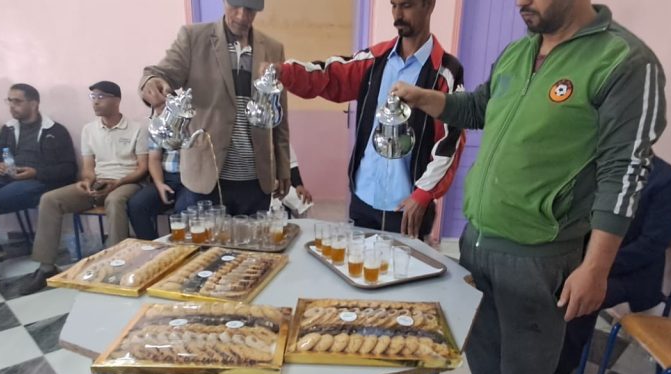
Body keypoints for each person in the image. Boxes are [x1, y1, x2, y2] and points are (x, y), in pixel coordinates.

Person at [392, 1, 667, 374]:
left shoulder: (624, 62)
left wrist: (596, 267)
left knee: (527, 362)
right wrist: (424, 98)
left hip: (539, 251)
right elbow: (478, 107)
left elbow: (625, 171)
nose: (521, 2)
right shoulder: (520, 52)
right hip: (479, 237)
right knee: (482, 344)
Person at [271, 0, 464, 238]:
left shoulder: (445, 72)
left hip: (407, 209)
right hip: (363, 200)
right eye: (393, 5)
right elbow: (328, 76)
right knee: (357, 262)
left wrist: (424, 194)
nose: (398, 14)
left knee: (404, 264)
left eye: (406, 5)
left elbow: (451, 140)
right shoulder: (374, 60)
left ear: (429, 5)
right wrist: (284, 72)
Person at [138, 0, 291, 216]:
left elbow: (279, 114)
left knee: (254, 239)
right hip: (206, 177)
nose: (241, 16)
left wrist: (284, 167)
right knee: (205, 239)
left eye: (250, 9)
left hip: (256, 179)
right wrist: (151, 83)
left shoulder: (273, 48)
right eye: (235, 6)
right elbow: (159, 73)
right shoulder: (193, 38)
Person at [553, 156, 671, 374]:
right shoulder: (606, 165)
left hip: (632, 272)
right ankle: (537, 348)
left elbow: (652, 244)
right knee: (547, 275)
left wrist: (595, 265)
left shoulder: (669, 180)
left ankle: (561, 364)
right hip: (592, 259)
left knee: (581, 292)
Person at [17, 81, 149, 295]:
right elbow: (88, 167)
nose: (95, 102)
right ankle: (46, 267)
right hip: (98, 182)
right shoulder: (89, 129)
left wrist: (118, 183)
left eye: (101, 97)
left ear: (116, 100)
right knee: (50, 199)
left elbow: (142, 168)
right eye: (93, 97)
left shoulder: (137, 129)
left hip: (127, 182)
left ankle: (116, 266)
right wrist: (86, 181)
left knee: (115, 200)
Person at [0, 83, 78, 293]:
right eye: (9, 101)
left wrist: (36, 172)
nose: (12, 106)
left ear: (34, 104)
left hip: (37, 182)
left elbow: (69, 169)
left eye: (17, 101)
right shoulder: (8, 129)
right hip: (8, 177)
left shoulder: (55, 131)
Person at [126, 142, 199, 240]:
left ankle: (183, 247)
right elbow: (154, 159)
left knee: (183, 208)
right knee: (137, 205)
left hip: (195, 177)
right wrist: (159, 184)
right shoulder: (158, 131)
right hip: (167, 177)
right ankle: (151, 245)